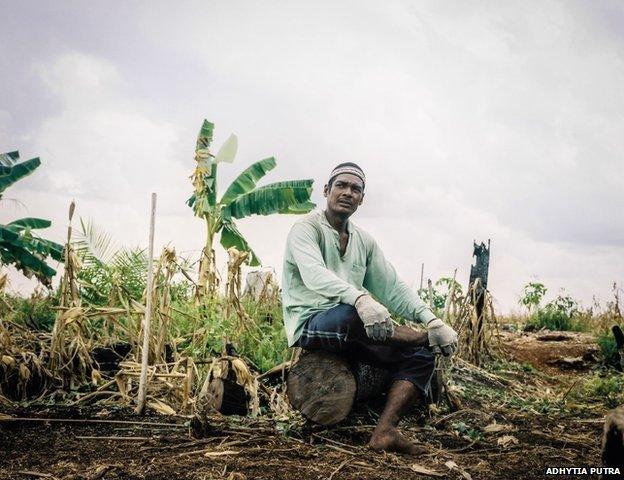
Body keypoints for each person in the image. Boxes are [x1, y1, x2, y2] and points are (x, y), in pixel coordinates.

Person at [282, 162, 458, 454]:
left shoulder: (364, 240)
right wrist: (361, 299)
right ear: (326, 190)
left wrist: (433, 319)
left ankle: (385, 432)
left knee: (422, 356)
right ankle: (419, 336)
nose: (348, 192)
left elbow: (392, 288)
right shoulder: (305, 229)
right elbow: (314, 274)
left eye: (356, 189)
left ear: (361, 199)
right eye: (341, 185)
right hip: (314, 323)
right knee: (351, 314)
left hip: (355, 328)